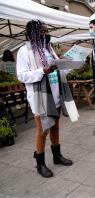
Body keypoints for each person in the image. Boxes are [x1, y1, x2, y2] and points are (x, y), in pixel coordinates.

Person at [16, 20, 74, 178]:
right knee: (42, 131)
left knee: (55, 127)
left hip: (55, 94)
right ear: (33, 33)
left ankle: (57, 156)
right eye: (43, 31)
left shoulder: (48, 49)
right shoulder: (24, 51)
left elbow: (59, 70)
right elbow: (21, 75)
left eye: (47, 31)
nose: (47, 34)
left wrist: (69, 64)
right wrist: (42, 70)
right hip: (40, 98)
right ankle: (40, 164)